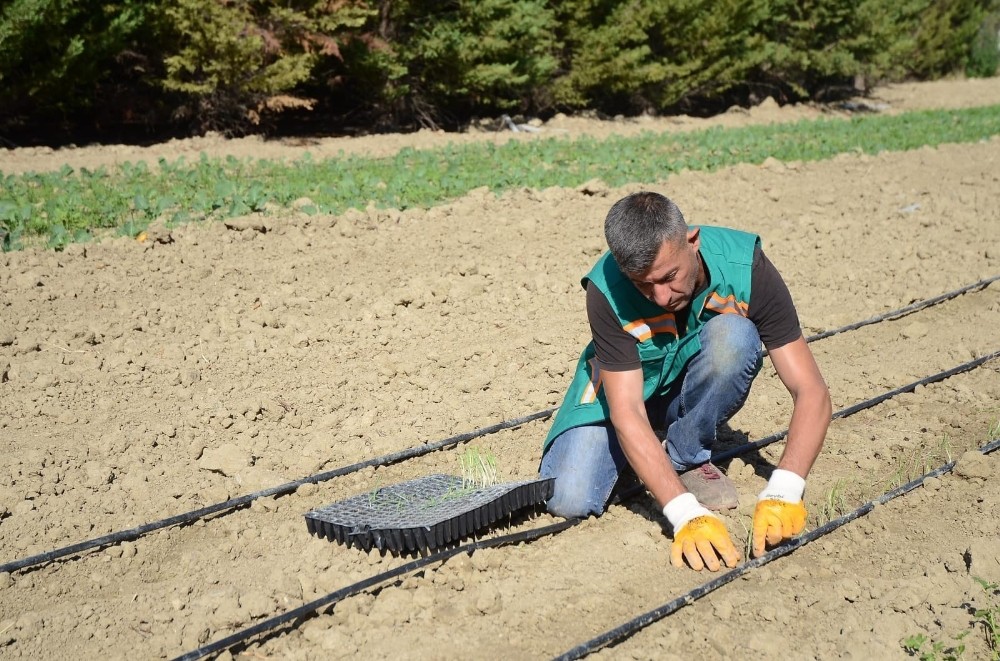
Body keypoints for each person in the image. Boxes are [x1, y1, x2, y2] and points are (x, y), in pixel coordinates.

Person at [539, 191, 831, 572]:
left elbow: (811, 390)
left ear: (692, 241)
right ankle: (640, 456)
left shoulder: (746, 268)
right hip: (620, 396)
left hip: (684, 389)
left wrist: (785, 489)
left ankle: (683, 455)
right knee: (569, 497)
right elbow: (627, 411)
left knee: (735, 339)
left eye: (669, 277)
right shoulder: (605, 289)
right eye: (644, 285)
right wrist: (685, 514)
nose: (661, 296)